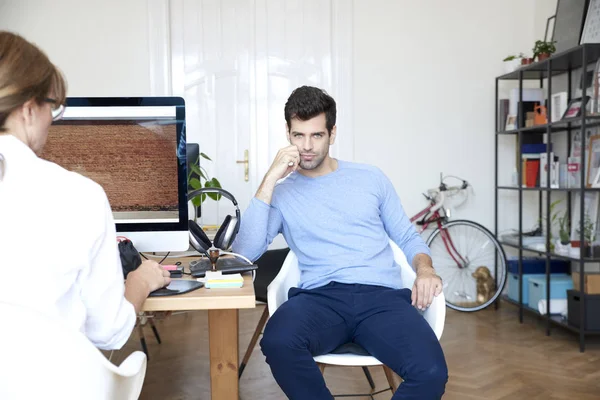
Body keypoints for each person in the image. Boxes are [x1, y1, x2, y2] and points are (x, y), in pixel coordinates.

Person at [232, 85, 448, 399]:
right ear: (288, 134)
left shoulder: (370, 178)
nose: (306, 147)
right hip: (320, 298)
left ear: (332, 133)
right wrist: (269, 178)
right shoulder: (281, 191)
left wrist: (425, 270)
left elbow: (406, 236)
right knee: (278, 341)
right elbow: (243, 253)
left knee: (431, 372)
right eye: (298, 135)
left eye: (316, 135)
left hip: (382, 299)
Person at [0, 31, 170, 350]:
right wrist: (140, 281)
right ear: (27, 109)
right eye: (52, 107)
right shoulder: (78, 196)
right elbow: (108, 333)